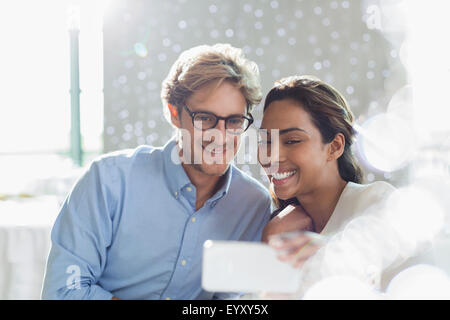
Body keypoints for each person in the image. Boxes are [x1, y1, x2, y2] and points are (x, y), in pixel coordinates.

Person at [41, 43, 272, 300]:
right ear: (175, 113)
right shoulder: (107, 182)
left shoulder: (253, 205)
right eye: (205, 118)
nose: (221, 136)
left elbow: (234, 301)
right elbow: (63, 292)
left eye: (234, 121)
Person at [257, 75, 398, 293]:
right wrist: (269, 243)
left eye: (292, 140)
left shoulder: (377, 203)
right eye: (267, 141)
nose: (271, 156)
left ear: (334, 147)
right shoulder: (273, 227)